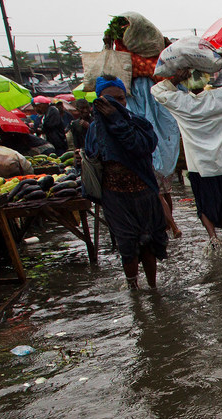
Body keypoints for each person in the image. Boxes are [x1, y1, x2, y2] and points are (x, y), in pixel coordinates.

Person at [152, 53, 222, 250]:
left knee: (204, 204)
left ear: (187, 81)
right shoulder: (220, 97)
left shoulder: (183, 103)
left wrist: (177, 77)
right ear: (206, 78)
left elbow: (157, 90)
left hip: (199, 164)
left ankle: (213, 237)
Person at [85, 76, 168, 290]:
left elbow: (141, 147)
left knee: (149, 244)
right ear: (98, 101)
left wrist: (117, 120)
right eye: (109, 100)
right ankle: (133, 290)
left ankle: (153, 288)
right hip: (116, 198)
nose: (116, 104)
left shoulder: (137, 124)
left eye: (120, 99)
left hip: (144, 193)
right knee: (127, 246)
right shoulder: (95, 131)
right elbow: (94, 159)